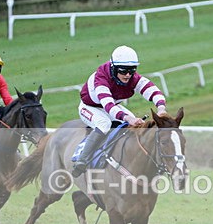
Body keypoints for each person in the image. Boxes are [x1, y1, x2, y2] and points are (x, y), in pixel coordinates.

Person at [71, 45, 168, 176]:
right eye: (123, 71)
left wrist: (161, 108)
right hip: (90, 107)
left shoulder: (133, 78)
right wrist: (128, 118)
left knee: (134, 125)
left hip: (111, 106)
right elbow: (109, 106)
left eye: (132, 70)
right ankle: (82, 160)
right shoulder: (101, 79)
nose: (128, 75)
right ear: (113, 68)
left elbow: (153, 91)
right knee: (104, 124)